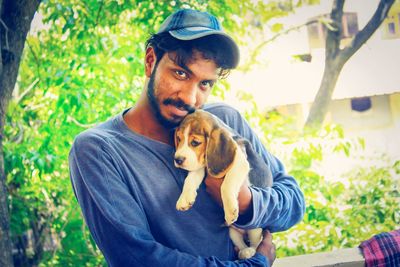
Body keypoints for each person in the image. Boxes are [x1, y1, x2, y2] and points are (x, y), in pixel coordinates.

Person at [69, 8, 305, 267]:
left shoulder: (224, 122)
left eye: (205, 84)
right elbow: (137, 258)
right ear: (150, 61)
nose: (191, 99)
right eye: (181, 73)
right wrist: (253, 265)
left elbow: (294, 203)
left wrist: (247, 203)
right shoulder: (98, 150)